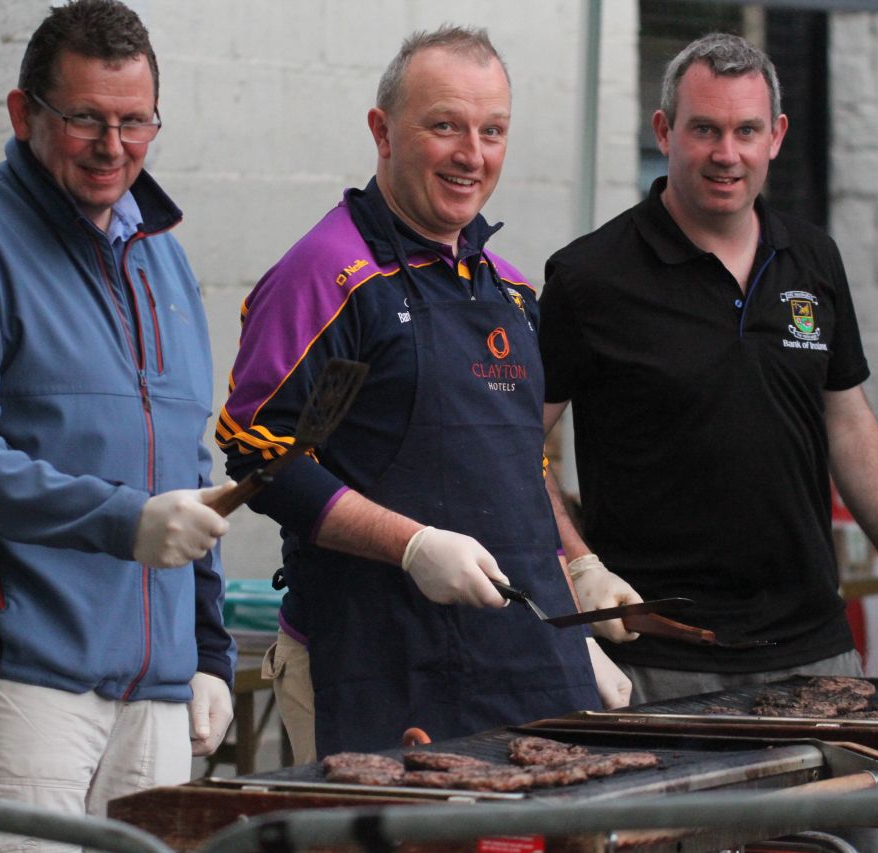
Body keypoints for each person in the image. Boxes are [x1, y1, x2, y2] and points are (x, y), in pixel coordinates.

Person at [217, 25, 628, 763]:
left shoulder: (508, 288)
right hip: (378, 668)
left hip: (529, 666)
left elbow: (518, 462)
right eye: (445, 126)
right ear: (382, 132)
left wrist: (576, 580)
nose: (472, 154)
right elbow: (262, 457)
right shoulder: (326, 276)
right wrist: (411, 545)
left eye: (492, 131)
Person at [0, 1, 235, 846]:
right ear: (23, 113)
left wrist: (210, 651)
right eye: (85, 119)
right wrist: (125, 521)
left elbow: (187, 467)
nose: (113, 146)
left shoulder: (164, 257)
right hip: (23, 682)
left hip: (157, 695)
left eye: (135, 121)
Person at [538, 32, 878, 705]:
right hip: (662, 654)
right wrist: (576, 564)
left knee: (838, 816)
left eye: (746, 130)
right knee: (689, 819)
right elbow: (518, 443)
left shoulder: (812, 257)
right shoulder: (590, 278)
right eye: (705, 129)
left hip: (818, 644)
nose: (727, 154)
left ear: (777, 136)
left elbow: (847, 420)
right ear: (664, 130)